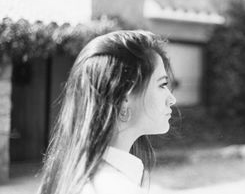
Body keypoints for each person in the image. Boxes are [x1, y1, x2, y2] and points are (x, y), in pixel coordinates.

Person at [37, 30, 177, 194]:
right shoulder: (115, 187)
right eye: (162, 84)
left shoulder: (69, 175)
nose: (172, 99)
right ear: (125, 97)